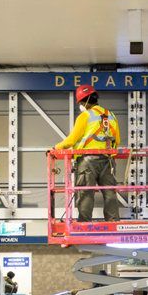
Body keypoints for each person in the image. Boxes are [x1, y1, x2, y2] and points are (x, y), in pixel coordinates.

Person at [53, 84, 120, 222]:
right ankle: (113, 224)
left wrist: (56, 148)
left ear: (85, 101)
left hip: (87, 162)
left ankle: (84, 225)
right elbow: (117, 140)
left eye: (80, 103)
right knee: (110, 193)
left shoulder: (85, 116)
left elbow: (71, 140)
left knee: (86, 193)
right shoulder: (111, 115)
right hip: (108, 160)